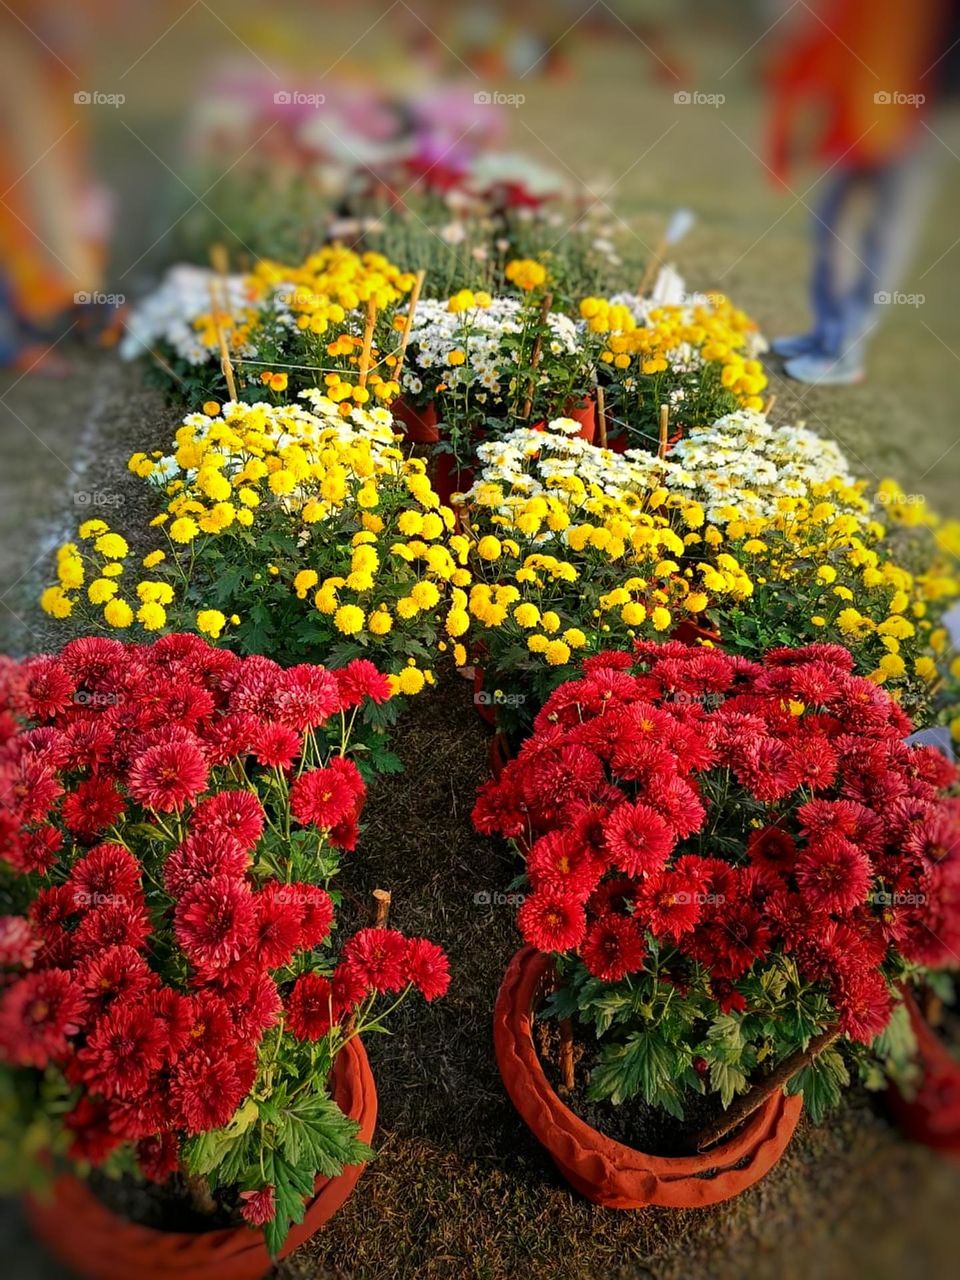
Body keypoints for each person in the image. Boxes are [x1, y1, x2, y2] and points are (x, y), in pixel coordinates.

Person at [766, 0, 955, 384]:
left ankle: (844, 352)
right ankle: (827, 333)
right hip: (882, 85)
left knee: (886, 227)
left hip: (933, 101)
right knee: (834, 216)